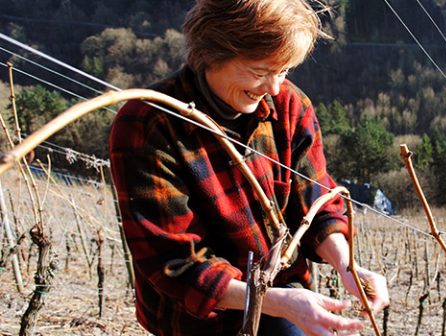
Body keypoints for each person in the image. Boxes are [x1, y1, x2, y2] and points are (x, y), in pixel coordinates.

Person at [108, 1, 389, 335]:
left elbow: (316, 200)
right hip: (196, 321)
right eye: (260, 72)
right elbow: (174, 262)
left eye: (283, 71)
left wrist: (346, 265)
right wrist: (273, 300)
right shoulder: (147, 125)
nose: (273, 88)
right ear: (212, 53)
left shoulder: (288, 104)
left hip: (284, 298)